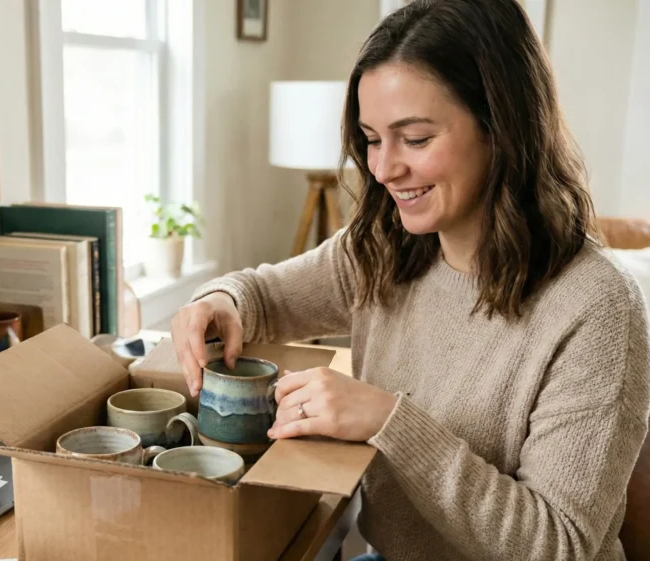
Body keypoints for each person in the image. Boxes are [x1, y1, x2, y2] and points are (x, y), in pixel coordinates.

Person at [170, 0, 650, 559]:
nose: (382, 168)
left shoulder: (597, 308)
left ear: (504, 126)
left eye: (415, 139)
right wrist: (219, 299)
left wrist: (388, 421)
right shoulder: (386, 247)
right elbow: (263, 295)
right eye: (372, 138)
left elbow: (558, 545)